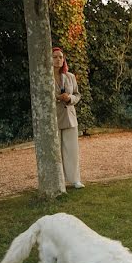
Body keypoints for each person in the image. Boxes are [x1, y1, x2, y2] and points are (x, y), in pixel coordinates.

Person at [52, 47, 83, 189]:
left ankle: (75, 179)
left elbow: (77, 95)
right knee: (56, 151)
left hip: (70, 118)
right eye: (55, 57)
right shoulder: (45, 77)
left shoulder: (70, 76)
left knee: (72, 150)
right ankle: (58, 180)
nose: (58, 59)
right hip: (54, 119)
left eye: (60, 57)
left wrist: (69, 98)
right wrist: (57, 98)